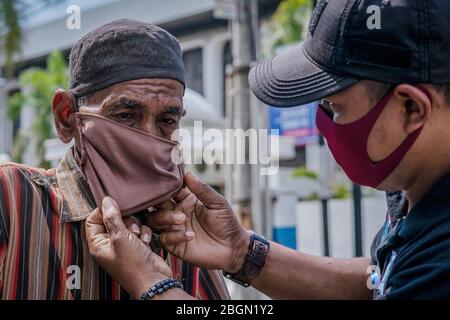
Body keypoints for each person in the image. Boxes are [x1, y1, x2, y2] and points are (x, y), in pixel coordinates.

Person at [86, 0, 450, 300]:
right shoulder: (416, 195)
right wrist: (243, 253)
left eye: (334, 108)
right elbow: (378, 282)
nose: (323, 125)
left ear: (411, 108)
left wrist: (154, 285)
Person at [0, 19, 229, 300]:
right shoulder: (13, 200)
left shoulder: (185, 233)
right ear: (66, 117)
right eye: (124, 116)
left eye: (167, 120)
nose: (147, 140)